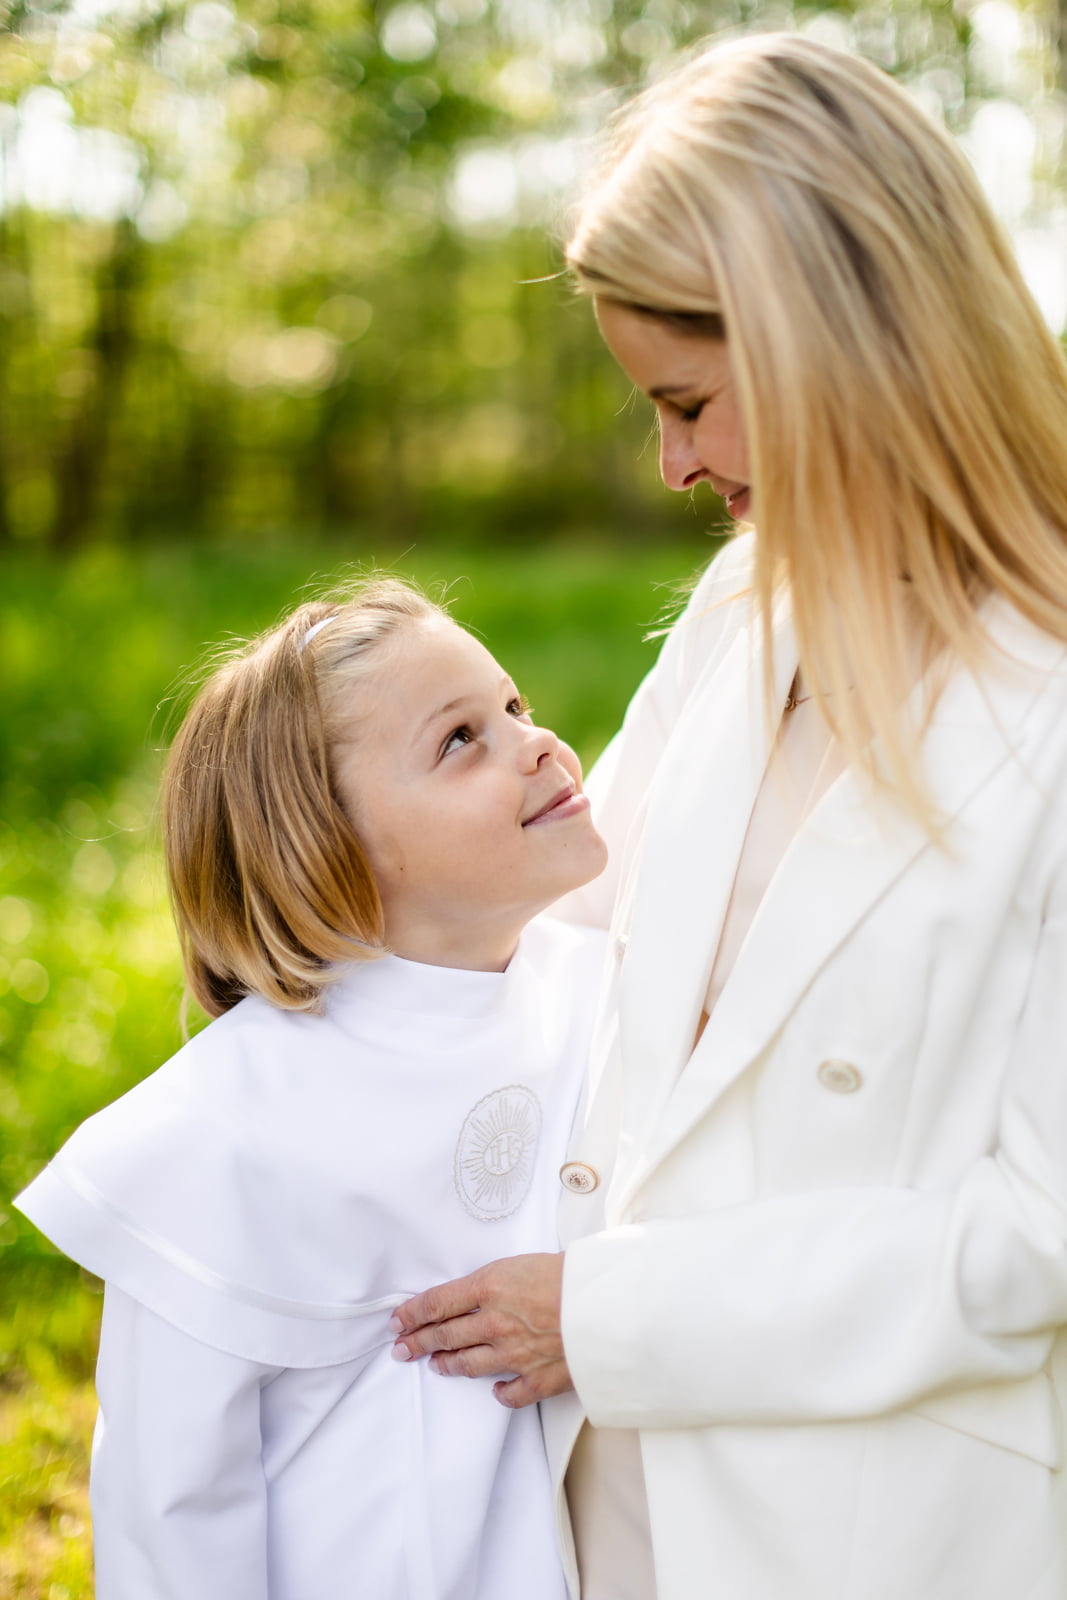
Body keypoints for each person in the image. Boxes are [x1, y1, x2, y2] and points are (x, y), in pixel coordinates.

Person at [386, 33, 1067, 1600]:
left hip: (878, 1523)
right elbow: (566, 942)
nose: (672, 461)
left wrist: (606, 1321)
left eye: (688, 400)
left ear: (838, 341)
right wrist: (310, 997)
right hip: (600, 1495)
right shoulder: (748, 605)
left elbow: (1035, 1235)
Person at [15, 578, 609, 1600]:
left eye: (511, 705)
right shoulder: (227, 1127)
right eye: (459, 739)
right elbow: (174, 1509)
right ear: (324, 851)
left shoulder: (607, 993)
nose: (536, 740)